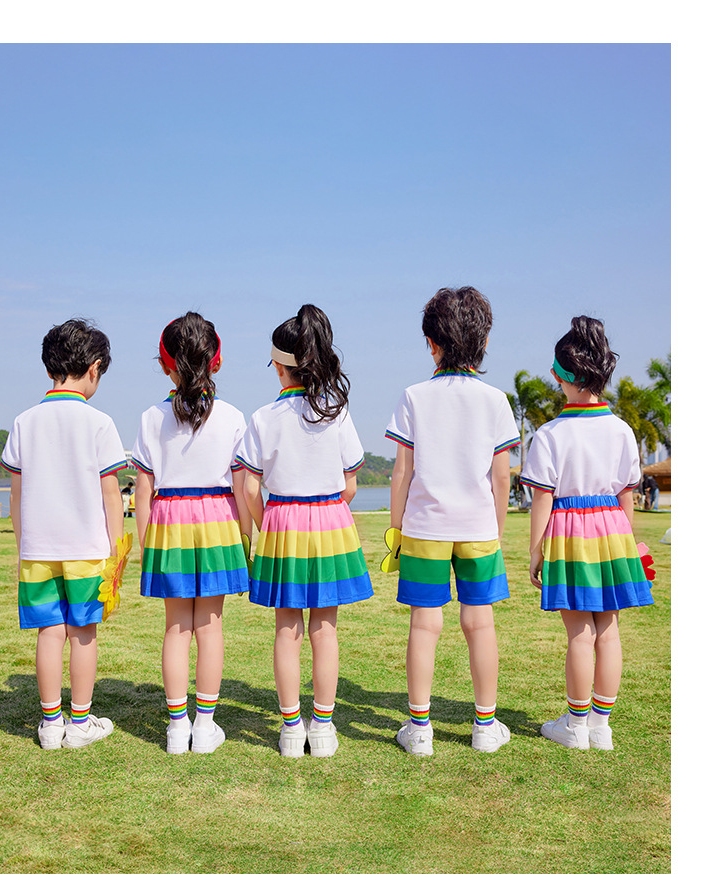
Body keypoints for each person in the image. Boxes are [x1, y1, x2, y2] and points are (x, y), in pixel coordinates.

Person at [385, 286, 520, 756]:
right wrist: (496, 531)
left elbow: (401, 472)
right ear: (484, 342)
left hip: (424, 528)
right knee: (480, 624)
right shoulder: (495, 400)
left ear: (432, 343)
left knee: (425, 625)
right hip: (479, 528)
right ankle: (485, 726)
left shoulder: (414, 397)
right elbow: (500, 476)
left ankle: (420, 729)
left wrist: (397, 529)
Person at [236, 304, 373, 758]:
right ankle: (325, 726)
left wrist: (269, 524)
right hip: (330, 520)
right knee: (325, 629)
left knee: (286, 629)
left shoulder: (263, 417)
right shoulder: (336, 410)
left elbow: (250, 487)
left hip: (282, 522)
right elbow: (351, 483)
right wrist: (327, 512)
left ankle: (292, 728)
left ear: (279, 367)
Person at [522, 316, 654, 751]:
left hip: (570, 535)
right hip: (613, 532)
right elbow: (627, 495)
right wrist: (630, 546)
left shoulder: (549, 434)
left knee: (579, 633)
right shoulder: (622, 430)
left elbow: (542, 499)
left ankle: (575, 726)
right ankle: (601, 725)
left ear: (560, 374)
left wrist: (536, 551)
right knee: (609, 631)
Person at [1, 318, 127, 750]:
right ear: (94, 368)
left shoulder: (24, 421)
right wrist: (116, 549)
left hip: (37, 548)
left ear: (49, 365)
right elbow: (111, 494)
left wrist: (23, 543)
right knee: (83, 632)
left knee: (49, 632)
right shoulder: (99, 423)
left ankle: (51, 723)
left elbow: (16, 493)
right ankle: (81, 722)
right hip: (86, 548)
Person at [132, 313, 251, 755]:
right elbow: (242, 486)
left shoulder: (151, 417)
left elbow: (143, 490)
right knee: (210, 627)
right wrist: (245, 538)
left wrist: (147, 545)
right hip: (218, 520)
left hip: (168, 522)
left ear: (166, 365)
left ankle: (176, 727)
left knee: (176, 628)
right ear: (215, 362)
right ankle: (204, 727)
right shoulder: (233, 417)